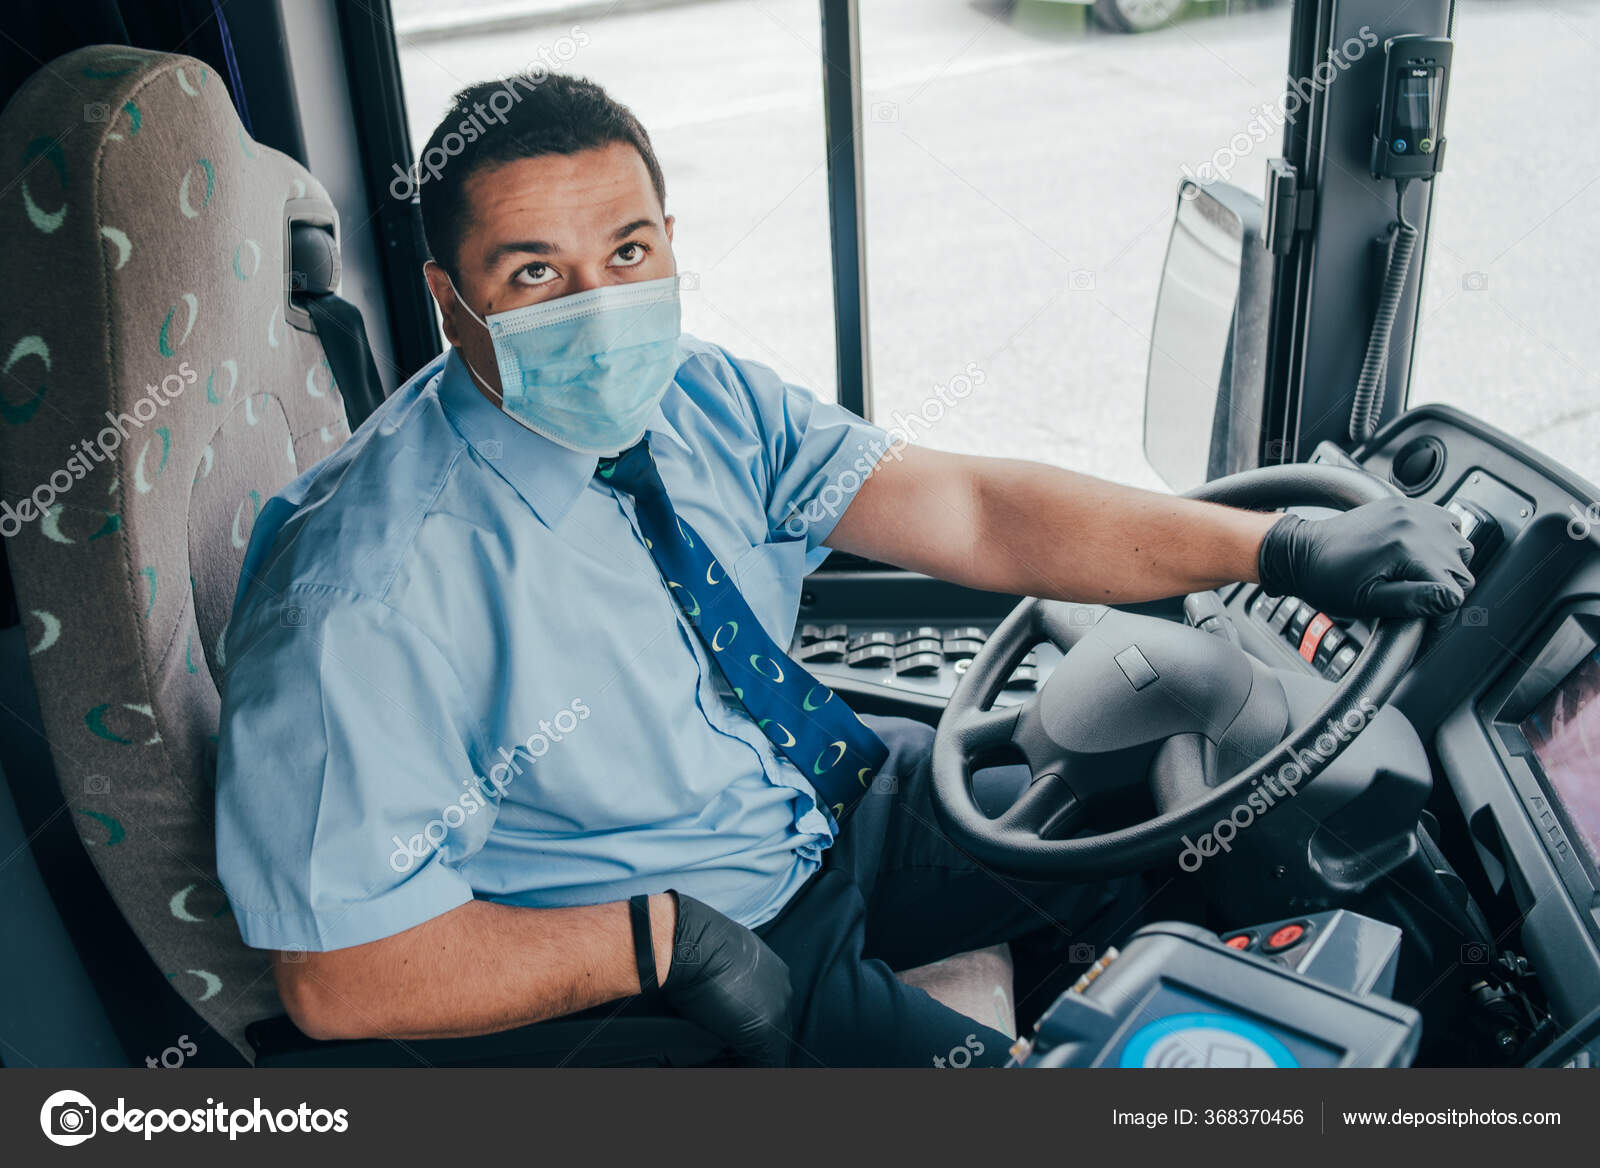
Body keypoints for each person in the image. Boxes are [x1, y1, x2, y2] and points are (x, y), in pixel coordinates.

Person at [214, 74, 1473, 1067]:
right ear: (449, 299)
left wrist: (1279, 546)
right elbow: (340, 974)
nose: (600, 305)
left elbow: (974, 511)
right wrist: (660, 944)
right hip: (708, 939)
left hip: (836, 803)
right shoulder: (361, 595)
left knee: (1149, 846)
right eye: (534, 273)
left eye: (630, 250)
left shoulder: (696, 392)